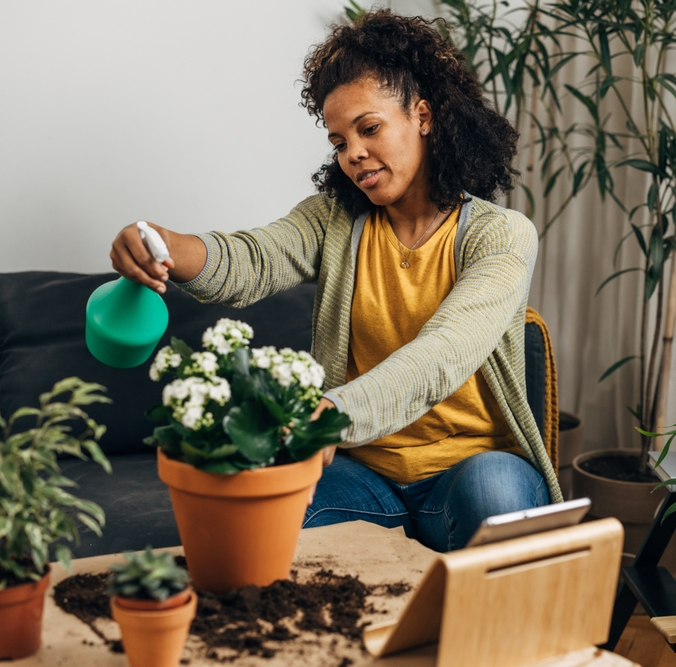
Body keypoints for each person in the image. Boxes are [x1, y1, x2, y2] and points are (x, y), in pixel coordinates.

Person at [109, 10, 562, 552]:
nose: (353, 155)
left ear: (423, 116)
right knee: (267, 520)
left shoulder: (502, 235)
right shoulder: (335, 221)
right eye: (339, 141)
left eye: (368, 129)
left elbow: (443, 354)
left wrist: (328, 416)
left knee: (496, 496)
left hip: (471, 471)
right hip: (364, 479)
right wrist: (158, 243)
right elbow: (251, 260)